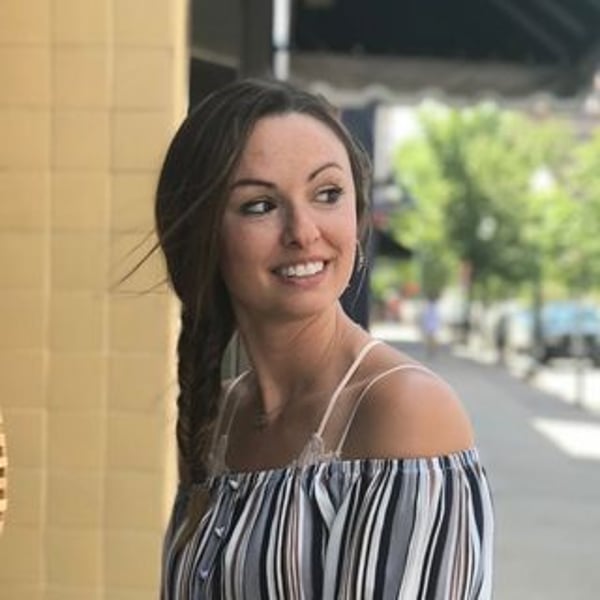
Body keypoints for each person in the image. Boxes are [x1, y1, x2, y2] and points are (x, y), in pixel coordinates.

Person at [156, 79, 493, 599]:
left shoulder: (404, 411)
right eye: (259, 205)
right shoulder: (219, 417)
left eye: (328, 194)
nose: (304, 231)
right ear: (202, 235)